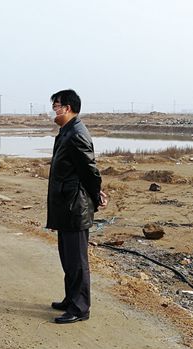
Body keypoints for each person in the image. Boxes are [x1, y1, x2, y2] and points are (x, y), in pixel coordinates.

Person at [46, 89, 107, 324]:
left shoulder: (77, 134)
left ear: (68, 108)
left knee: (77, 261)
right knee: (67, 257)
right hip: (66, 205)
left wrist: (96, 195)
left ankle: (80, 308)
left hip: (75, 206)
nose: (54, 111)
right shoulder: (67, 132)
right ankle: (71, 299)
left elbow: (89, 170)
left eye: (56, 106)